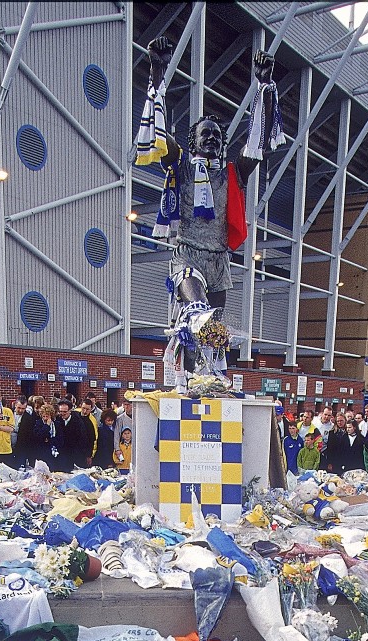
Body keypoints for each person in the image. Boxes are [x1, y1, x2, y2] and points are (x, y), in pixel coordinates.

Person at [140, 37, 284, 387]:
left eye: (217, 136)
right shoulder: (182, 168)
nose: (211, 140)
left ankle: (202, 377)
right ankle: (190, 377)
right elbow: (160, 135)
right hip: (188, 254)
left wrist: (264, 88)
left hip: (219, 260)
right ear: (193, 142)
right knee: (197, 314)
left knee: (212, 328)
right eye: (205, 135)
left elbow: (259, 146)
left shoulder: (233, 174)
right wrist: (158, 71)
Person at [55, 398, 93, 471]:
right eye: (60, 411)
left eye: (65, 412)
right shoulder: (57, 420)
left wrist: (88, 455)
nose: (62, 414)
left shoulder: (79, 422)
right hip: (61, 457)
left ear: (70, 411)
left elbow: (86, 439)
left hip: (76, 457)